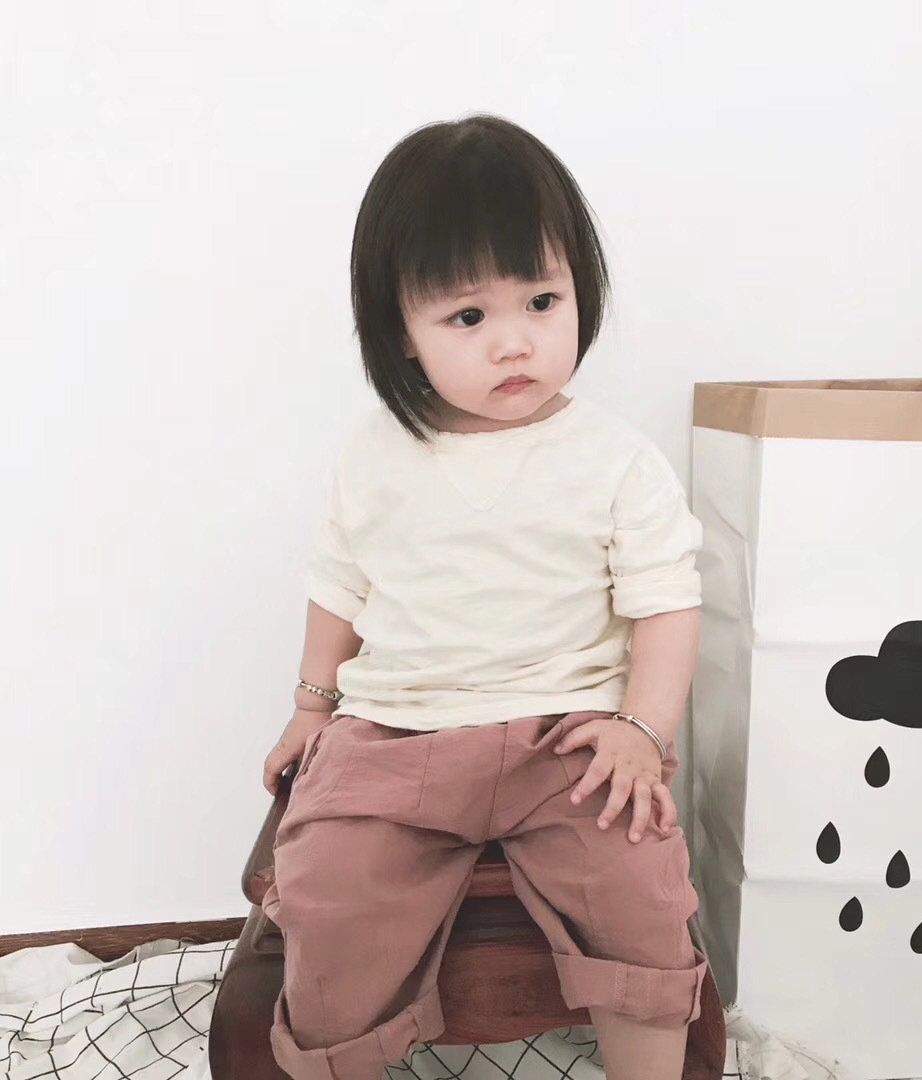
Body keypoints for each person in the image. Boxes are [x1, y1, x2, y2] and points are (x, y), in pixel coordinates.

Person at [259, 113, 711, 1080]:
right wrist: (311, 707)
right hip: (397, 734)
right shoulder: (376, 455)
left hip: (568, 738)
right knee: (330, 890)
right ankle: (337, 1056)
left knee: (640, 885)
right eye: (468, 318)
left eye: (542, 301)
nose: (515, 343)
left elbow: (667, 604)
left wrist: (642, 728)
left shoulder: (614, 458)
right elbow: (340, 587)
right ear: (401, 331)